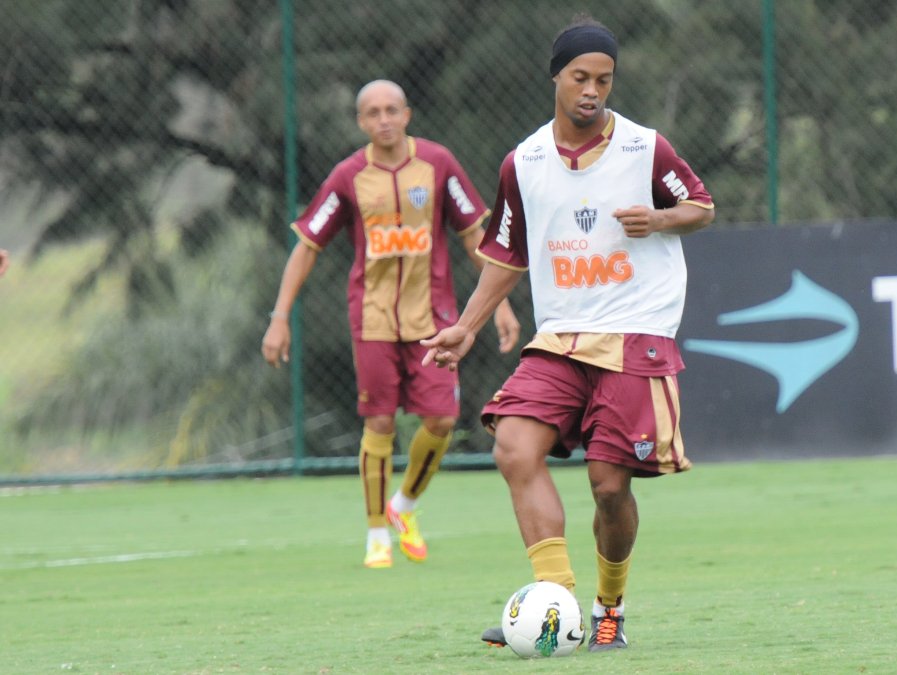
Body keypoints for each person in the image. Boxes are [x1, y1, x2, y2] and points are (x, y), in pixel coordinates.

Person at [419, 15, 714, 652]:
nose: (592, 90)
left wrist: (660, 219)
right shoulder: (522, 162)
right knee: (514, 449)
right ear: (556, 76)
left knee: (609, 486)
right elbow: (506, 257)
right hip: (561, 339)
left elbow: (702, 206)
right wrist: (466, 328)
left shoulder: (644, 148)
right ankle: (556, 606)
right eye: (580, 77)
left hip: (636, 335)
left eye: (604, 79)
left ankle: (609, 611)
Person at [261, 79, 521, 569]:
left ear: (408, 114)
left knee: (442, 420)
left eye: (391, 110)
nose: (383, 119)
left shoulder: (439, 165)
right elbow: (307, 246)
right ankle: (376, 532)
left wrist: (500, 306)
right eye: (373, 112)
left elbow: (475, 238)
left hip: (435, 319)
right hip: (374, 319)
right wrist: (279, 318)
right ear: (361, 122)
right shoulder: (348, 176)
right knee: (378, 423)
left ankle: (404, 507)